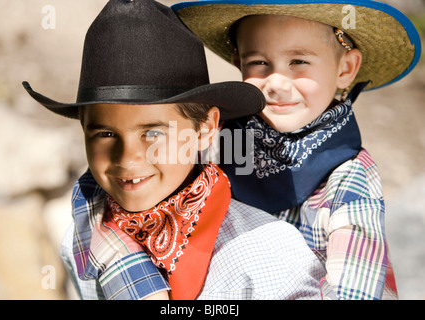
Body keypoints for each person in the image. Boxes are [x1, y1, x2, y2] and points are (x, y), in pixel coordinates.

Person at [23, 0, 326, 300]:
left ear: (205, 129)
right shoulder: (83, 240)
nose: (127, 158)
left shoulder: (270, 256)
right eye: (104, 133)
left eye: (153, 132)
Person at [172, 0, 422, 299]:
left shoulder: (349, 176)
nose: (276, 83)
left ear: (346, 68)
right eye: (259, 63)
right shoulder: (218, 138)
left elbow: (352, 292)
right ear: (239, 63)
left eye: (299, 62)